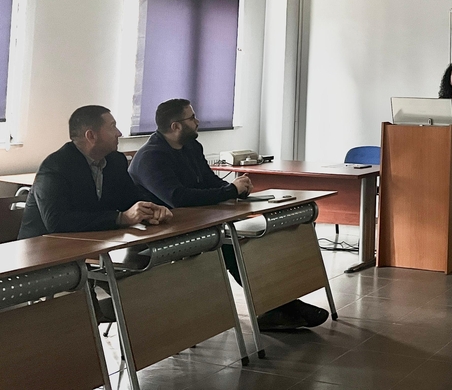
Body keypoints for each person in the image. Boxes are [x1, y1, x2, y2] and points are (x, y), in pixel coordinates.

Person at [128, 98, 328, 331]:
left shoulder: (192, 147)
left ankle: (280, 304)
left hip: (195, 223)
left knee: (254, 243)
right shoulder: (151, 157)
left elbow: (208, 181)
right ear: (176, 126)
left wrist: (237, 188)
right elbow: (178, 198)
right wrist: (229, 191)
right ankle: (280, 307)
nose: (198, 121)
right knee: (231, 246)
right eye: (192, 118)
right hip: (159, 232)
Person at [19, 105, 172, 239]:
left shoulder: (115, 160)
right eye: (112, 126)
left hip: (91, 241)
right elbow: (57, 221)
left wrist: (152, 210)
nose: (119, 133)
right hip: (42, 248)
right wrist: (121, 218)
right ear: (91, 136)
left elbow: (130, 198)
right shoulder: (55, 167)